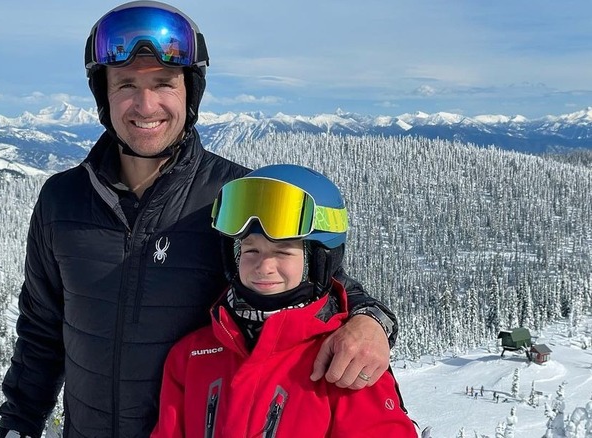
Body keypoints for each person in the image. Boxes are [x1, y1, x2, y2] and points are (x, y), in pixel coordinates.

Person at [0, 2, 398, 437]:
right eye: (126, 84)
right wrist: (18, 425)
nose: (145, 104)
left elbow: (318, 278)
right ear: (103, 95)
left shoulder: (233, 197)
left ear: (190, 93)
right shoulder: (62, 200)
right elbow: (41, 329)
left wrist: (371, 321)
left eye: (164, 83)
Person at [150, 164, 417, 437]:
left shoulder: (346, 361)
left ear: (318, 260)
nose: (264, 266)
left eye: (283, 252)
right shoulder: (191, 356)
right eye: (250, 249)